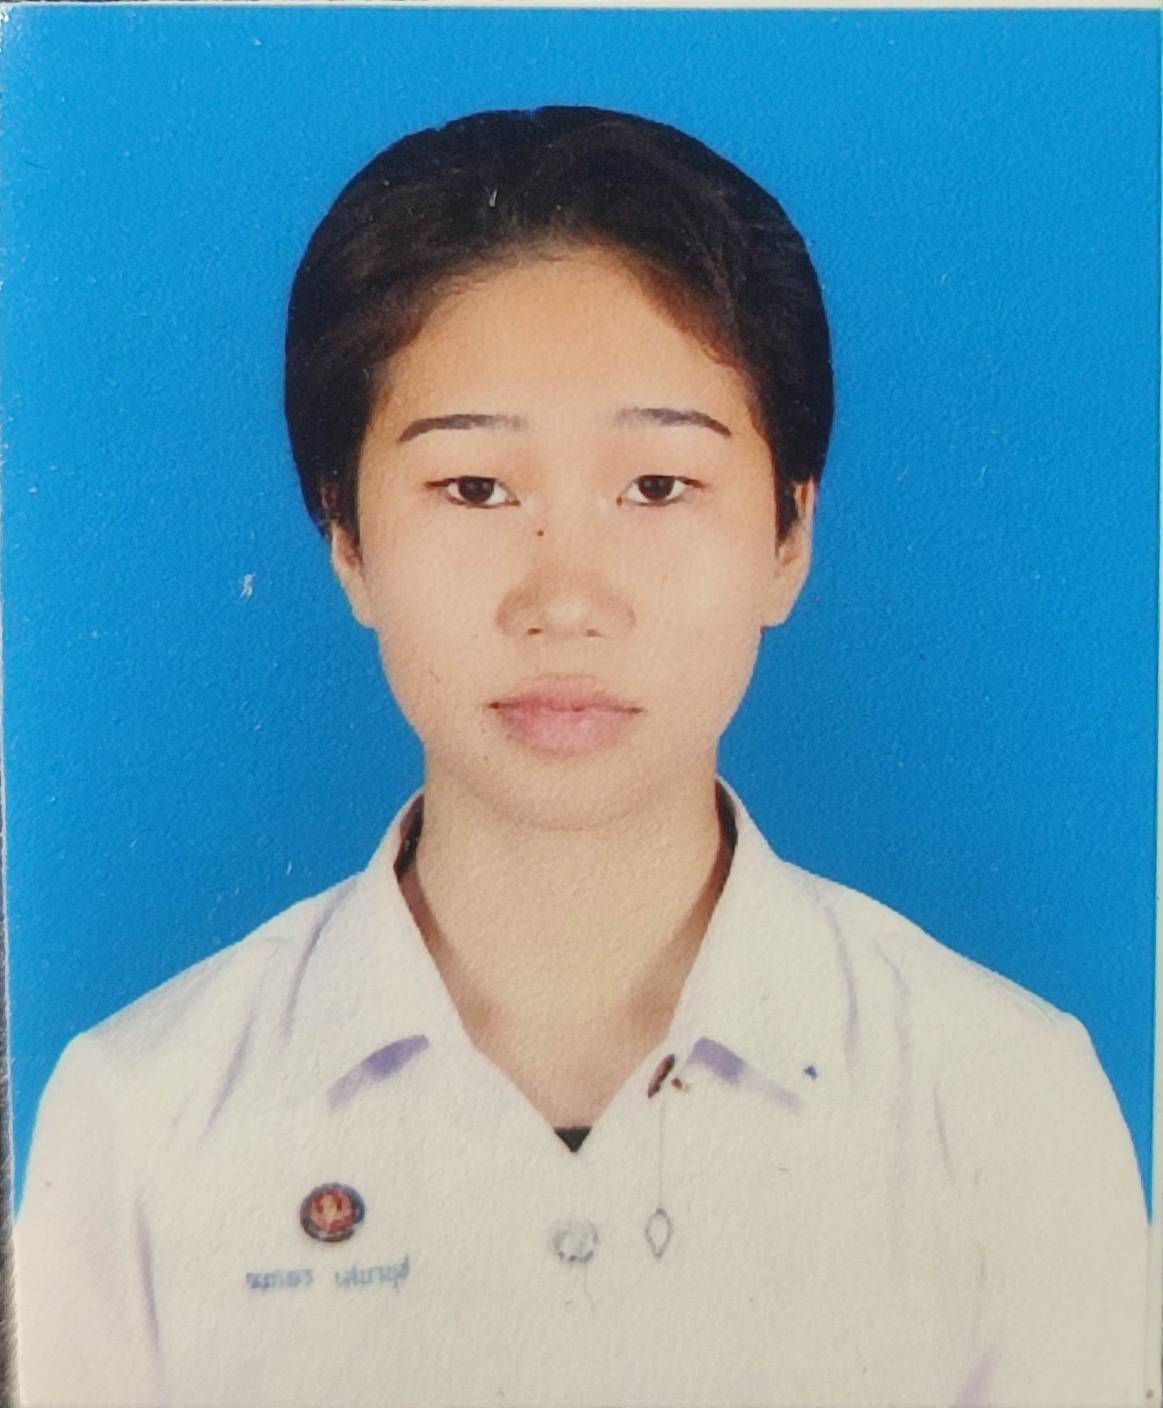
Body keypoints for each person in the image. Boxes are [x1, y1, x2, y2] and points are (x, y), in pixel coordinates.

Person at [13, 105, 1152, 1408]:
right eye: (476, 488)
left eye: (658, 487)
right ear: (348, 543)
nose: (565, 600)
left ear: (789, 539)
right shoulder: (144, 1121)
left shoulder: (1007, 1102)